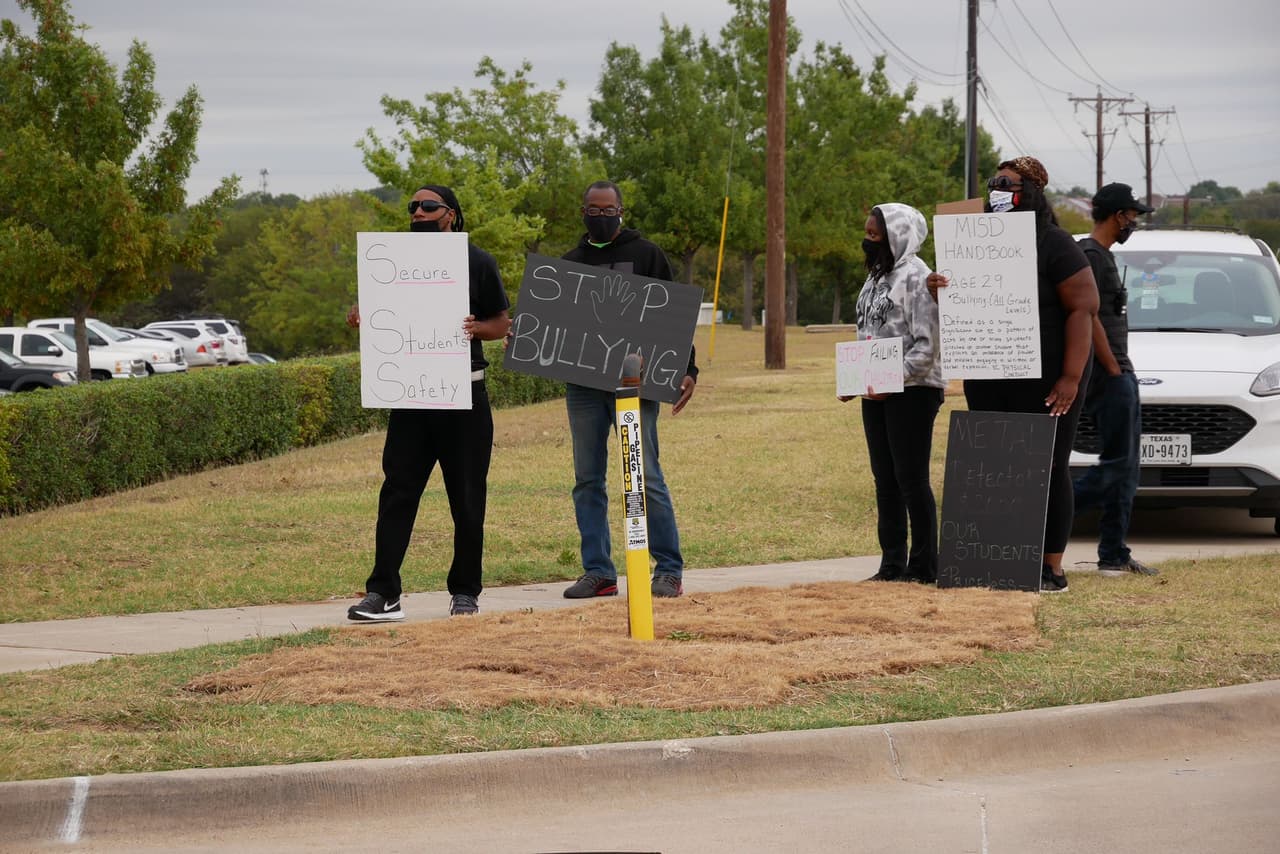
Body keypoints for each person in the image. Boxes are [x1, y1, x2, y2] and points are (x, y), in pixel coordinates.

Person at [928, 156, 1099, 593]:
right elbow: (963, 298)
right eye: (995, 182)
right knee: (994, 466)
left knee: (1049, 465)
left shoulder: (1055, 242)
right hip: (991, 368)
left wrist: (1071, 377)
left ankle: (1051, 567)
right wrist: (939, 287)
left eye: (1010, 184)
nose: (998, 190)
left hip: (1050, 376)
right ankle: (995, 559)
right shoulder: (973, 238)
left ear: (1033, 192)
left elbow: (1084, 308)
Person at [347, 184, 511, 620]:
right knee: (397, 493)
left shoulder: (477, 261)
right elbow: (383, 317)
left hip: (464, 396)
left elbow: (501, 324)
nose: (418, 212)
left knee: (467, 498)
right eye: (413, 206)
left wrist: (476, 329)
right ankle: (383, 593)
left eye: (429, 206)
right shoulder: (390, 263)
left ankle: (465, 592)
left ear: (450, 214)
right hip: (411, 397)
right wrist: (364, 315)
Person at [559, 180, 697, 600]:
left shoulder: (647, 254)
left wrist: (687, 367)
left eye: (608, 210)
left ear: (621, 212)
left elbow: (673, 317)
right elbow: (555, 325)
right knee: (587, 479)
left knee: (646, 475)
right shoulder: (569, 264)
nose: (600, 216)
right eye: (593, 210)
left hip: (636, 382)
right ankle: (598, 571)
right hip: (584, 386)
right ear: (582, 212)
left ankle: (668, 569)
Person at [839, 204, 944, 584]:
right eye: (866, 233)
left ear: (896, 237)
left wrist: (890, 380)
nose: (867, 241)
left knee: (911, 480)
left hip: (914, 391)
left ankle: (923, 567)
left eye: (874, 235)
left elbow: (927, 346)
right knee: (884, 480)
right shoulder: (876, 276)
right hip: (876, 392)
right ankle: (891, 565)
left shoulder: (918, 278)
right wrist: (854, 380)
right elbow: (869, 334)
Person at [1073, 183, 1159, 577]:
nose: (1134, 223)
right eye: (1132, 215)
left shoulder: (1103, 255)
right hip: (1109, 376)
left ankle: (1114, 553)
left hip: (1122, 371)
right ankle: (1048, 514)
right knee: (1117, 465)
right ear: (1116, 215)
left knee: (1127, 467)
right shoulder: (1089, 255)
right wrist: (1111, 367)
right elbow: (1087, 315)